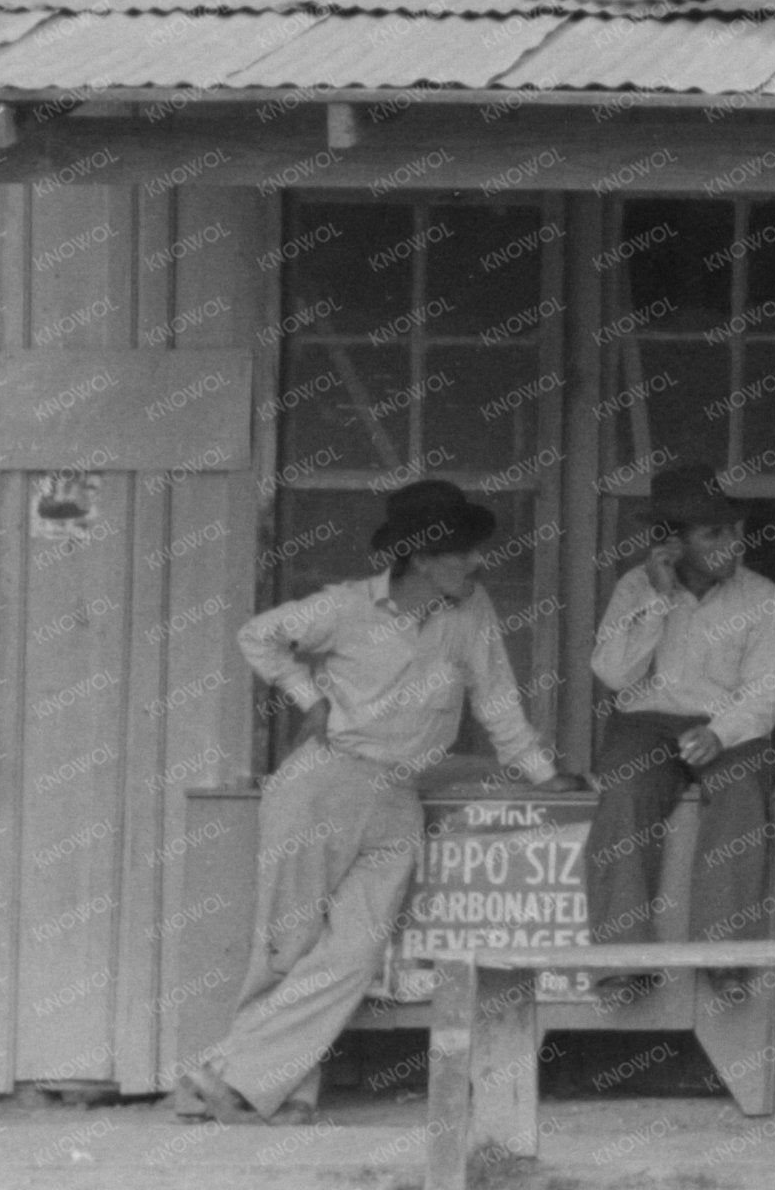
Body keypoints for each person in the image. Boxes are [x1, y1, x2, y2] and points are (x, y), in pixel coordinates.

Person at [177, 480, 563, 1123]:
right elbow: (258, 635)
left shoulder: (472, 610)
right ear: (419, 556)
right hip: (325, 781)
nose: (478, 563)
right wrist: (312, 698)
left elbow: (498, 700)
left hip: (399, 796)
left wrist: (543, 777)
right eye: (463, 552)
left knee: (355, 952)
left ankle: (226, 1077)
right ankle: (276, 1090)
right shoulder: (346, 608)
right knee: (288, 942)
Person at [582, 463, 775, 1001]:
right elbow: (612, 674)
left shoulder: (762, 597)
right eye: (714, 534)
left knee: (744, 788)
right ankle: (623, 962)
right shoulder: (634, 587)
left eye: (734, 531)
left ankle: (724, 958)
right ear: (671, 543)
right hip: (645, 723)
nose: (734, 545)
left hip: (730, 727)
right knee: (625, 792)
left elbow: (765, 693)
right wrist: (658, 597)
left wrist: (721, 733)